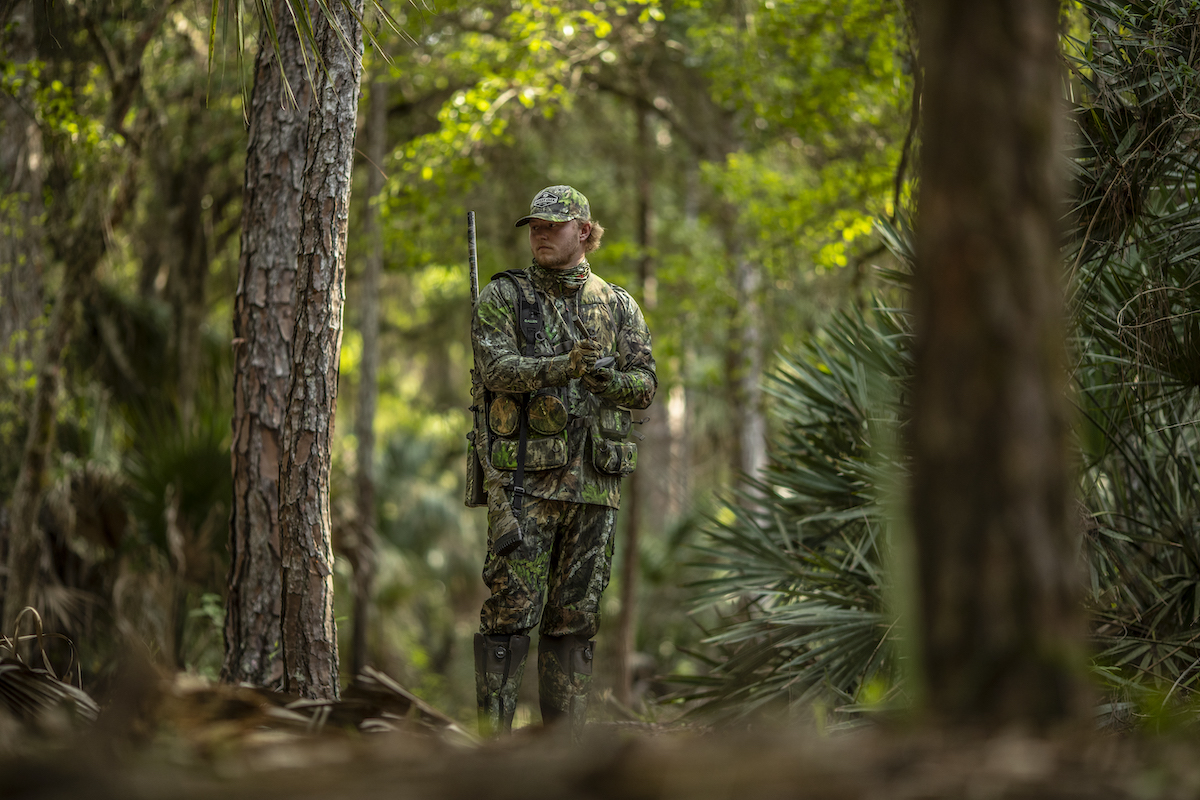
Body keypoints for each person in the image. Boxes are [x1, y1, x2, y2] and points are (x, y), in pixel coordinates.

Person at [469, 185, 656, 738]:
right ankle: (491, 749)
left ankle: (563, 753)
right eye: (535, 226)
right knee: (509, 616)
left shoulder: (618, 305)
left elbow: (644, 385)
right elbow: (495, 371)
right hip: (526, 484)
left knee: (575, 623)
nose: (541, 234)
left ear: (584, 231)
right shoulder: (505, 296)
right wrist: (562, 366)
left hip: (596, 487)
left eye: (553, 225)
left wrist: (611, 380)